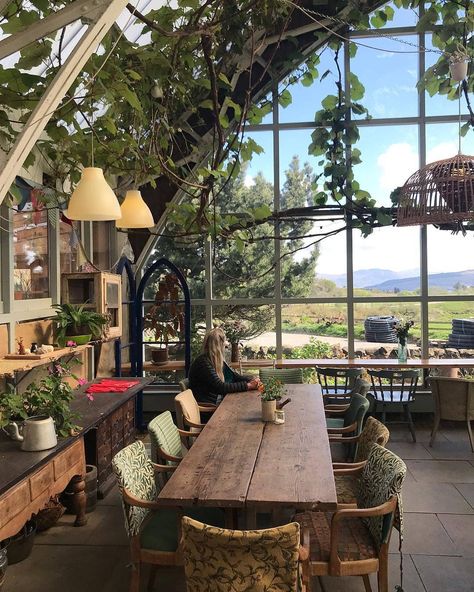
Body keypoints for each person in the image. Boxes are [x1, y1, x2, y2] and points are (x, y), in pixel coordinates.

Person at [188, 327, 260, 405]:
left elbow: (233, 376)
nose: (225, 347)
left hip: (218, 400)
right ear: (220, 344)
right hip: (210, 407)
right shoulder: (203, 363)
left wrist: (252, 379)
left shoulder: (214, 360)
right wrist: (248, 386)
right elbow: (221, 387)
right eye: (224, 344)